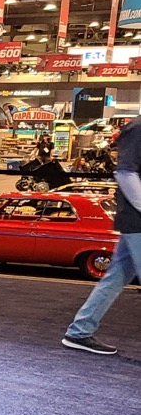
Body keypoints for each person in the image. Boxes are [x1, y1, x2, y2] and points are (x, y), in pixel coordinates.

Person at [62, 117, 141, 354]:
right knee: (116, 275)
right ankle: (79, 331)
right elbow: (126, 173)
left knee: (116, 275)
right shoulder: (138, 129)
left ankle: (80, 331)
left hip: (134, 219)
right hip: (137, 220)